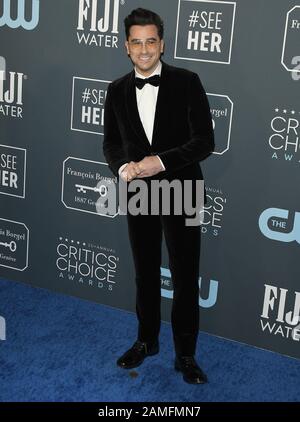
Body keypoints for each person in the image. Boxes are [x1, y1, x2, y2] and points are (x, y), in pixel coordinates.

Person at [103, 8, 214, 384]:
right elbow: (112, 144)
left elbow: (204, 142)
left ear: (162, 44)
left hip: (181, 187)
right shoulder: (116, 90)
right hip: (138, 192)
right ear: (126, 47)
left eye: (152, 41)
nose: (145, 49)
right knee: (145, 272)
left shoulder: (187, 81)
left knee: (185, 275)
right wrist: (123, 169)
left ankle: (186, 354)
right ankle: (146, 341)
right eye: (137, 42)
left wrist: (159, 163)